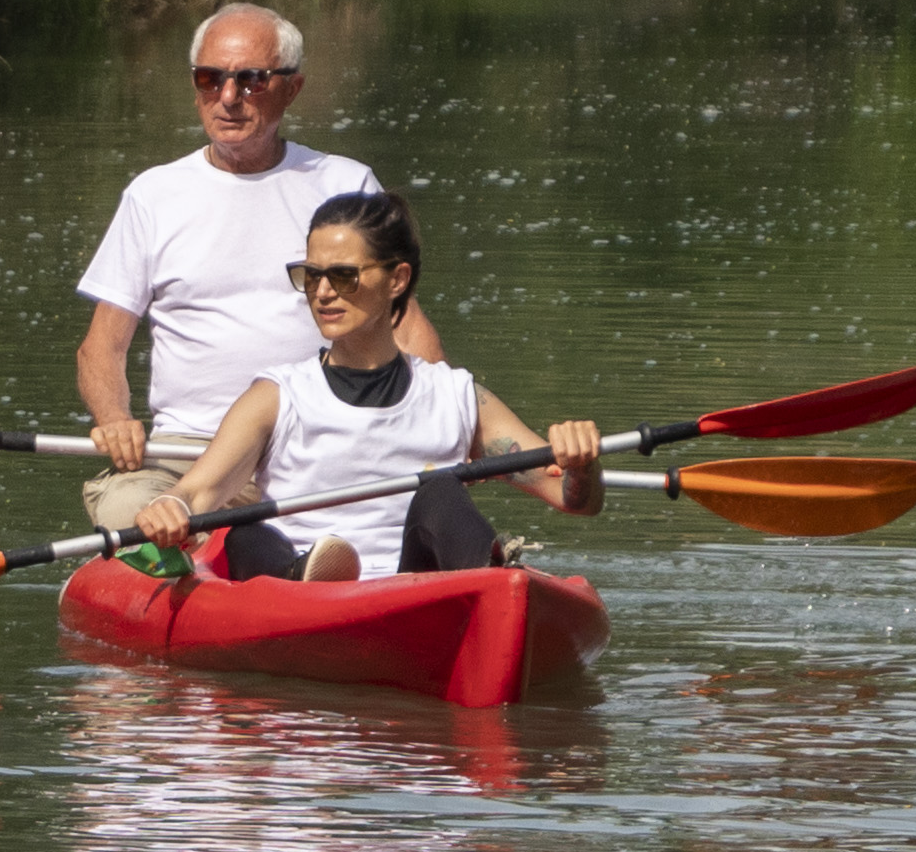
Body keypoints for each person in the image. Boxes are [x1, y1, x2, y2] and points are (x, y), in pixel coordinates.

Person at [112, 187, 598, 584]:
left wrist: (582, 463)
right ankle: (312, 575)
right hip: (296, 588)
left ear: (397, 279)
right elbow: (198, 494)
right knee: (242, 531)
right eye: (311, 275)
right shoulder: (276, 397)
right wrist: (167, 508)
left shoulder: (458, 397)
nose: (322, 292)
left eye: (343, 277)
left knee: (441, 493)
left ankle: (490, 580)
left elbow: (575, 498)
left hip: (417, 592)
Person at [72, 0, 449, 475]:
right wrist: (115, 420)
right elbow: (102, 347)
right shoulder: (153, 195)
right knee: (135, 516)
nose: (228, 97)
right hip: (187, 453)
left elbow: (406, 327)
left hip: (320, 444)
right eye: (210, 79)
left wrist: (435, 431)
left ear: (292, 88)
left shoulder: (345, 184)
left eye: (251, 80)